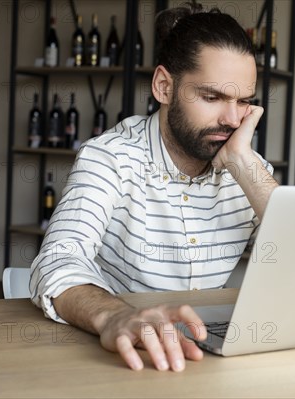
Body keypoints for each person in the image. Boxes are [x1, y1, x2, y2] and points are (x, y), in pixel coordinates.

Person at [29, 3, 278, 372]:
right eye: (211, 97)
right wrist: (114, 315)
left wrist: (245, 165)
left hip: (201, 356)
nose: (231, 119)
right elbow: (57, 260)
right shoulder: (109, 157)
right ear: (164, 86)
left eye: (243, 102)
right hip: (122, 357)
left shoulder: (248, 167)